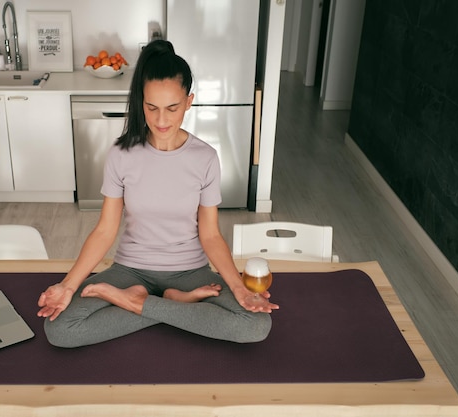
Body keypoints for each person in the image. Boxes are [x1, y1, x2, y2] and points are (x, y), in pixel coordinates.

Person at [37, 40, 278, 348]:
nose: (161, 120)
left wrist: (239, 289)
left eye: (172, 108)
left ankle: (142, 301)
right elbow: (105, 230)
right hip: (130, 270)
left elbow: (211, 235)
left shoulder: (205, 158)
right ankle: (178, 303)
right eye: (151, 108)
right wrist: (67, 286)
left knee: (256, 325)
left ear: (189, 102)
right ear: (141, 102)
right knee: (60, 329)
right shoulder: (121, 155)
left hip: (190, 271)